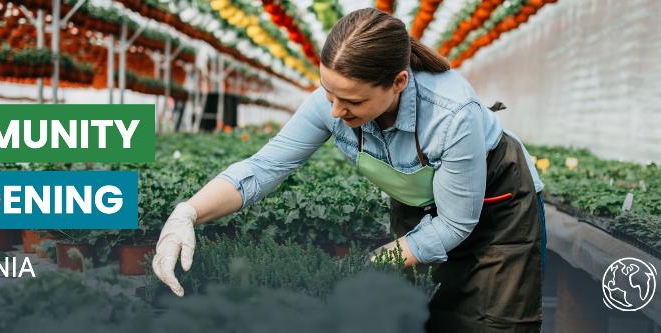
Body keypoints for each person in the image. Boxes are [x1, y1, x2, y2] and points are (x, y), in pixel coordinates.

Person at [153, 8, 547, 332]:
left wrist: (370, 264)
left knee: (494, 324)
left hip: (496, 208)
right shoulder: (332, 105)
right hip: (420, 203)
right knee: (419, 316)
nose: (337, 111)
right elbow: (264, 168)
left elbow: (456, 224)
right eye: (329, 94)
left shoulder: (451, 114)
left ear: (398, 82)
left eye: (352, 101)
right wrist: (187, 212)